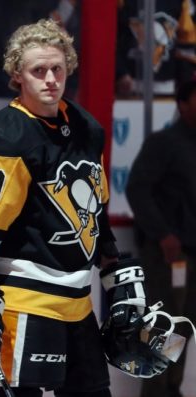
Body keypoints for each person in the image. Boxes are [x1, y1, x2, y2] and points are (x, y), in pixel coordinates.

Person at [0, 19, 150, 397]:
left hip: (78, 303)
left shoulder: (86, 128)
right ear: (16, 75)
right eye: (38, 71)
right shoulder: (2, 135)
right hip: (25, 302)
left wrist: (112, 269)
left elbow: (95, 213)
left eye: (57, 68)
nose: (50, 79)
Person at [126, 79, 196, 397]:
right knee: (165, 328)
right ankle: (156, 392)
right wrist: (163, 235)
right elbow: (138, 190)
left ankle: (172, 389)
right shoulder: (164, 143)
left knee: (185, 327)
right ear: (182, 104)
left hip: (192, 255)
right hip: (169, 255)